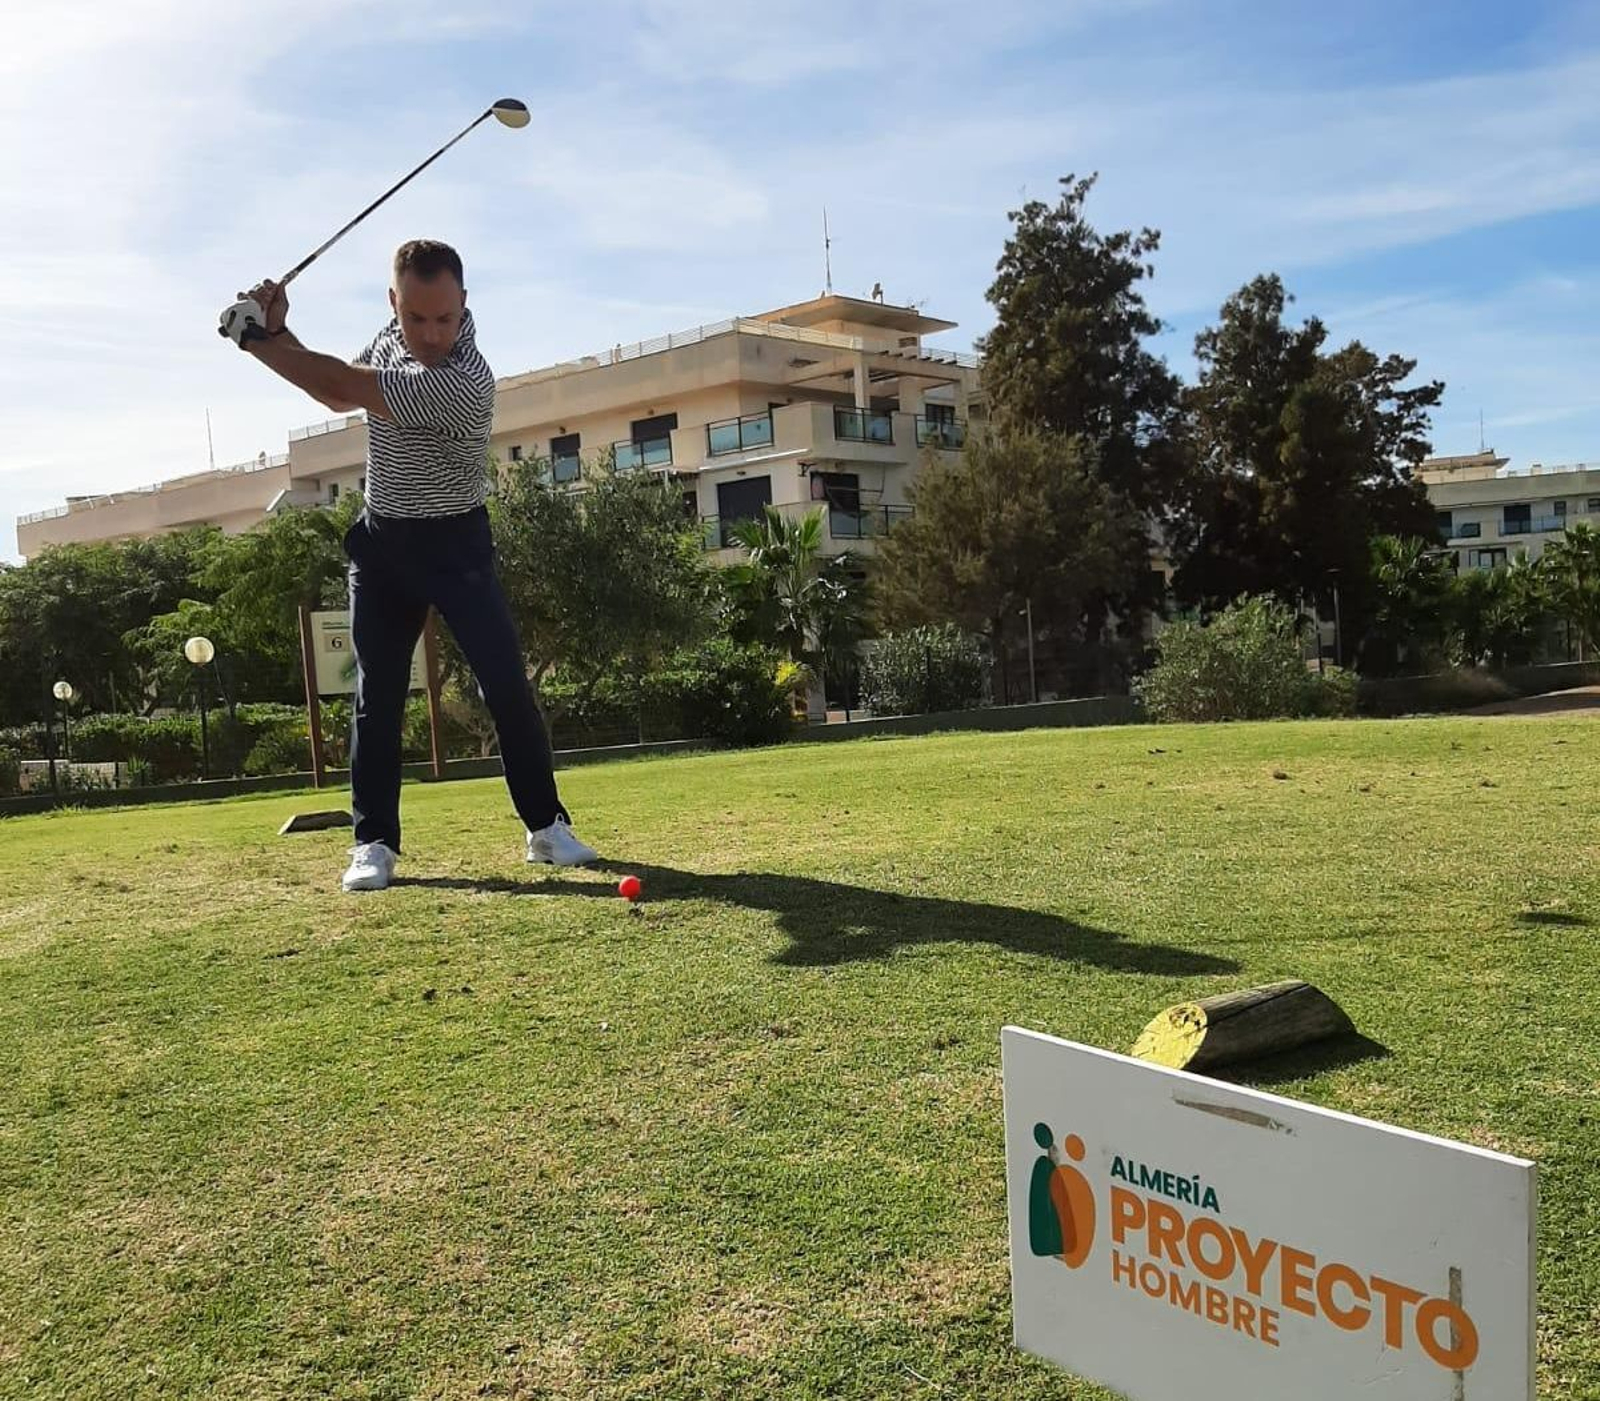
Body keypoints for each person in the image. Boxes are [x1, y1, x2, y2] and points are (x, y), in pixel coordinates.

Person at [226, 239, 597, 890]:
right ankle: (372, 843)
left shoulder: (463, 381)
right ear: (393, 303)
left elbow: (342, 391)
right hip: (385, 545)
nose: (430, 335)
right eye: (416, 318)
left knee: (506, 688)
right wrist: (277, 331)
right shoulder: (391, 339)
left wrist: (258, 340)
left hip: (456, 545)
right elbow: (340, 375)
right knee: (378, 697)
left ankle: (546, 827)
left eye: (445, 319)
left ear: (464, 305)